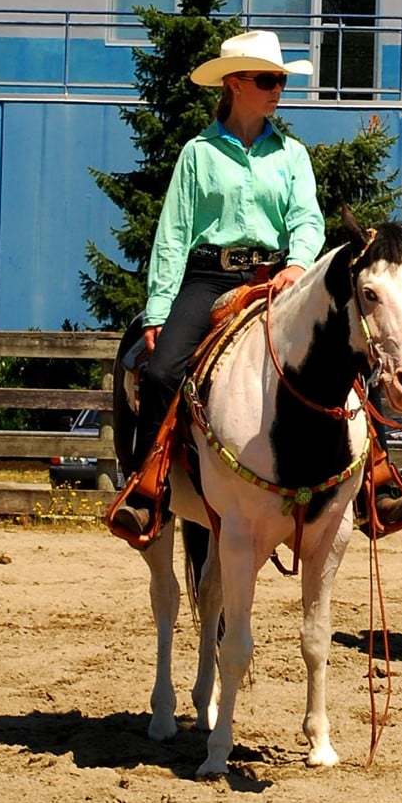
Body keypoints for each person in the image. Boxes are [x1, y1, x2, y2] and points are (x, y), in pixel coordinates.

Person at [114, 31, 325, 538]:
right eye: (268, 80)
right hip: (209, 276)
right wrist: (160, 309)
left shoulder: (292, 154)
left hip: (279, 278)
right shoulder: (198, 153)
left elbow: (308, 220)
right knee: (163, 371)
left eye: (280, 80)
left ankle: (369, 482)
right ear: (234, 84)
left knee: (343, 357)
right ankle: (150, 485)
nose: (278, 88)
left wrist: (297, 264)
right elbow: (173, 233)